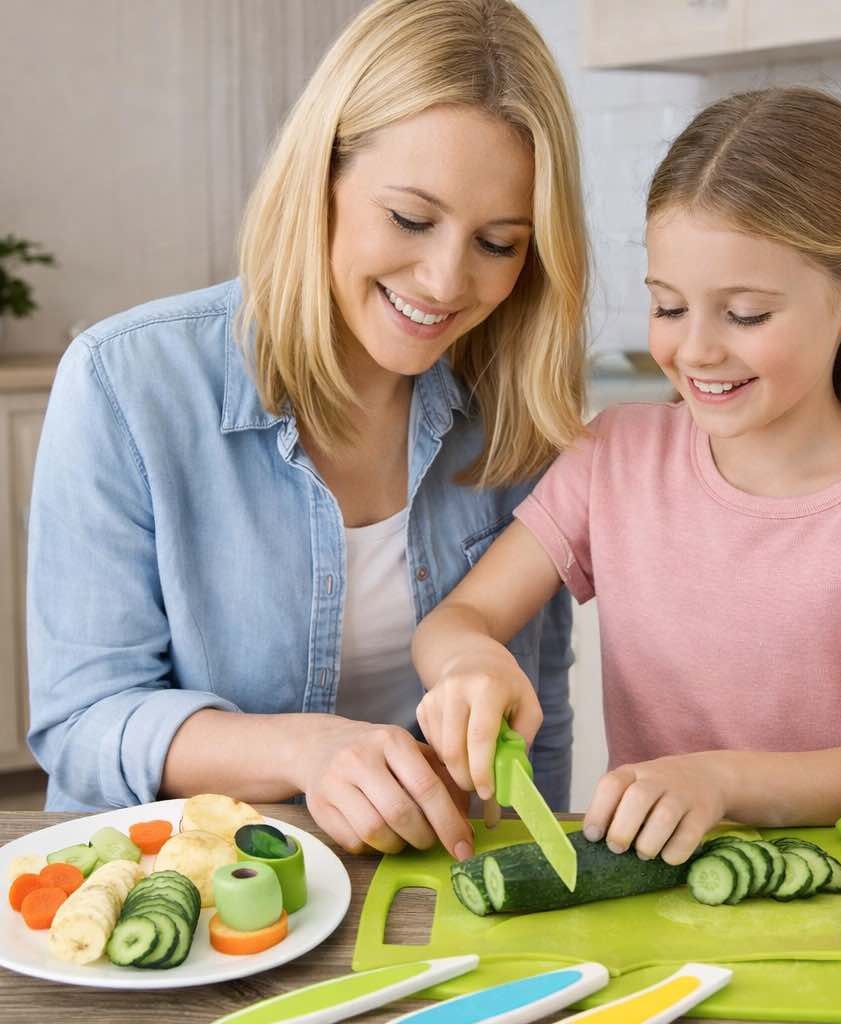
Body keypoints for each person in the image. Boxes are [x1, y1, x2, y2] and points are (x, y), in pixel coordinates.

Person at [26, 0, 588, 863]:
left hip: (429, 890)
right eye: (409, 219)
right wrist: (305, 750)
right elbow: (83, 723)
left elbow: (534, 715)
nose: (444, 280)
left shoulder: (517, 408)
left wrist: (542, 883)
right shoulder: (126, 383)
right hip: (195, 889)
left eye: (499, 243)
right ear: (318, 178)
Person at [411, 86, 841, 865]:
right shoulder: (615, 457)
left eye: (746, 314)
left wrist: (719, 782)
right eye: (668, 308)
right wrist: (470, 664)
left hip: (840, 902)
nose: (695, 351)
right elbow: (457, 619)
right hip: (652, 898)